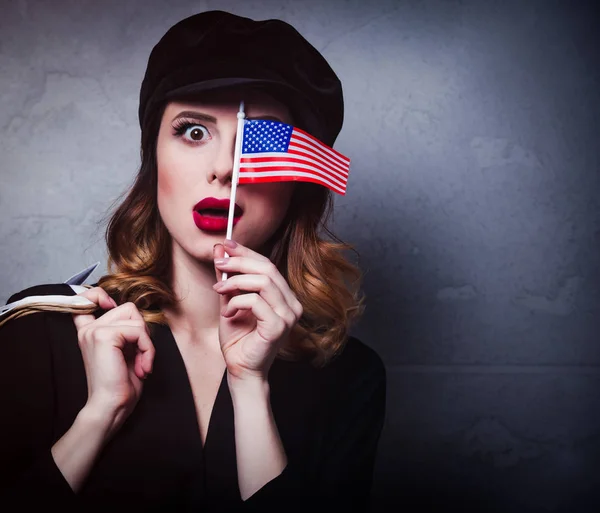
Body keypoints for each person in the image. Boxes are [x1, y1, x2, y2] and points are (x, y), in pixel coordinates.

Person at [0, 10, 386, 512]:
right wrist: (98, 417)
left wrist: (250, 389)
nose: (225, 168)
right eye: (194, 132)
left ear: (296, 185)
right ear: (153, 159)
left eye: (258, 140)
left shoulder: (349, 378)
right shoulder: (41, 333)